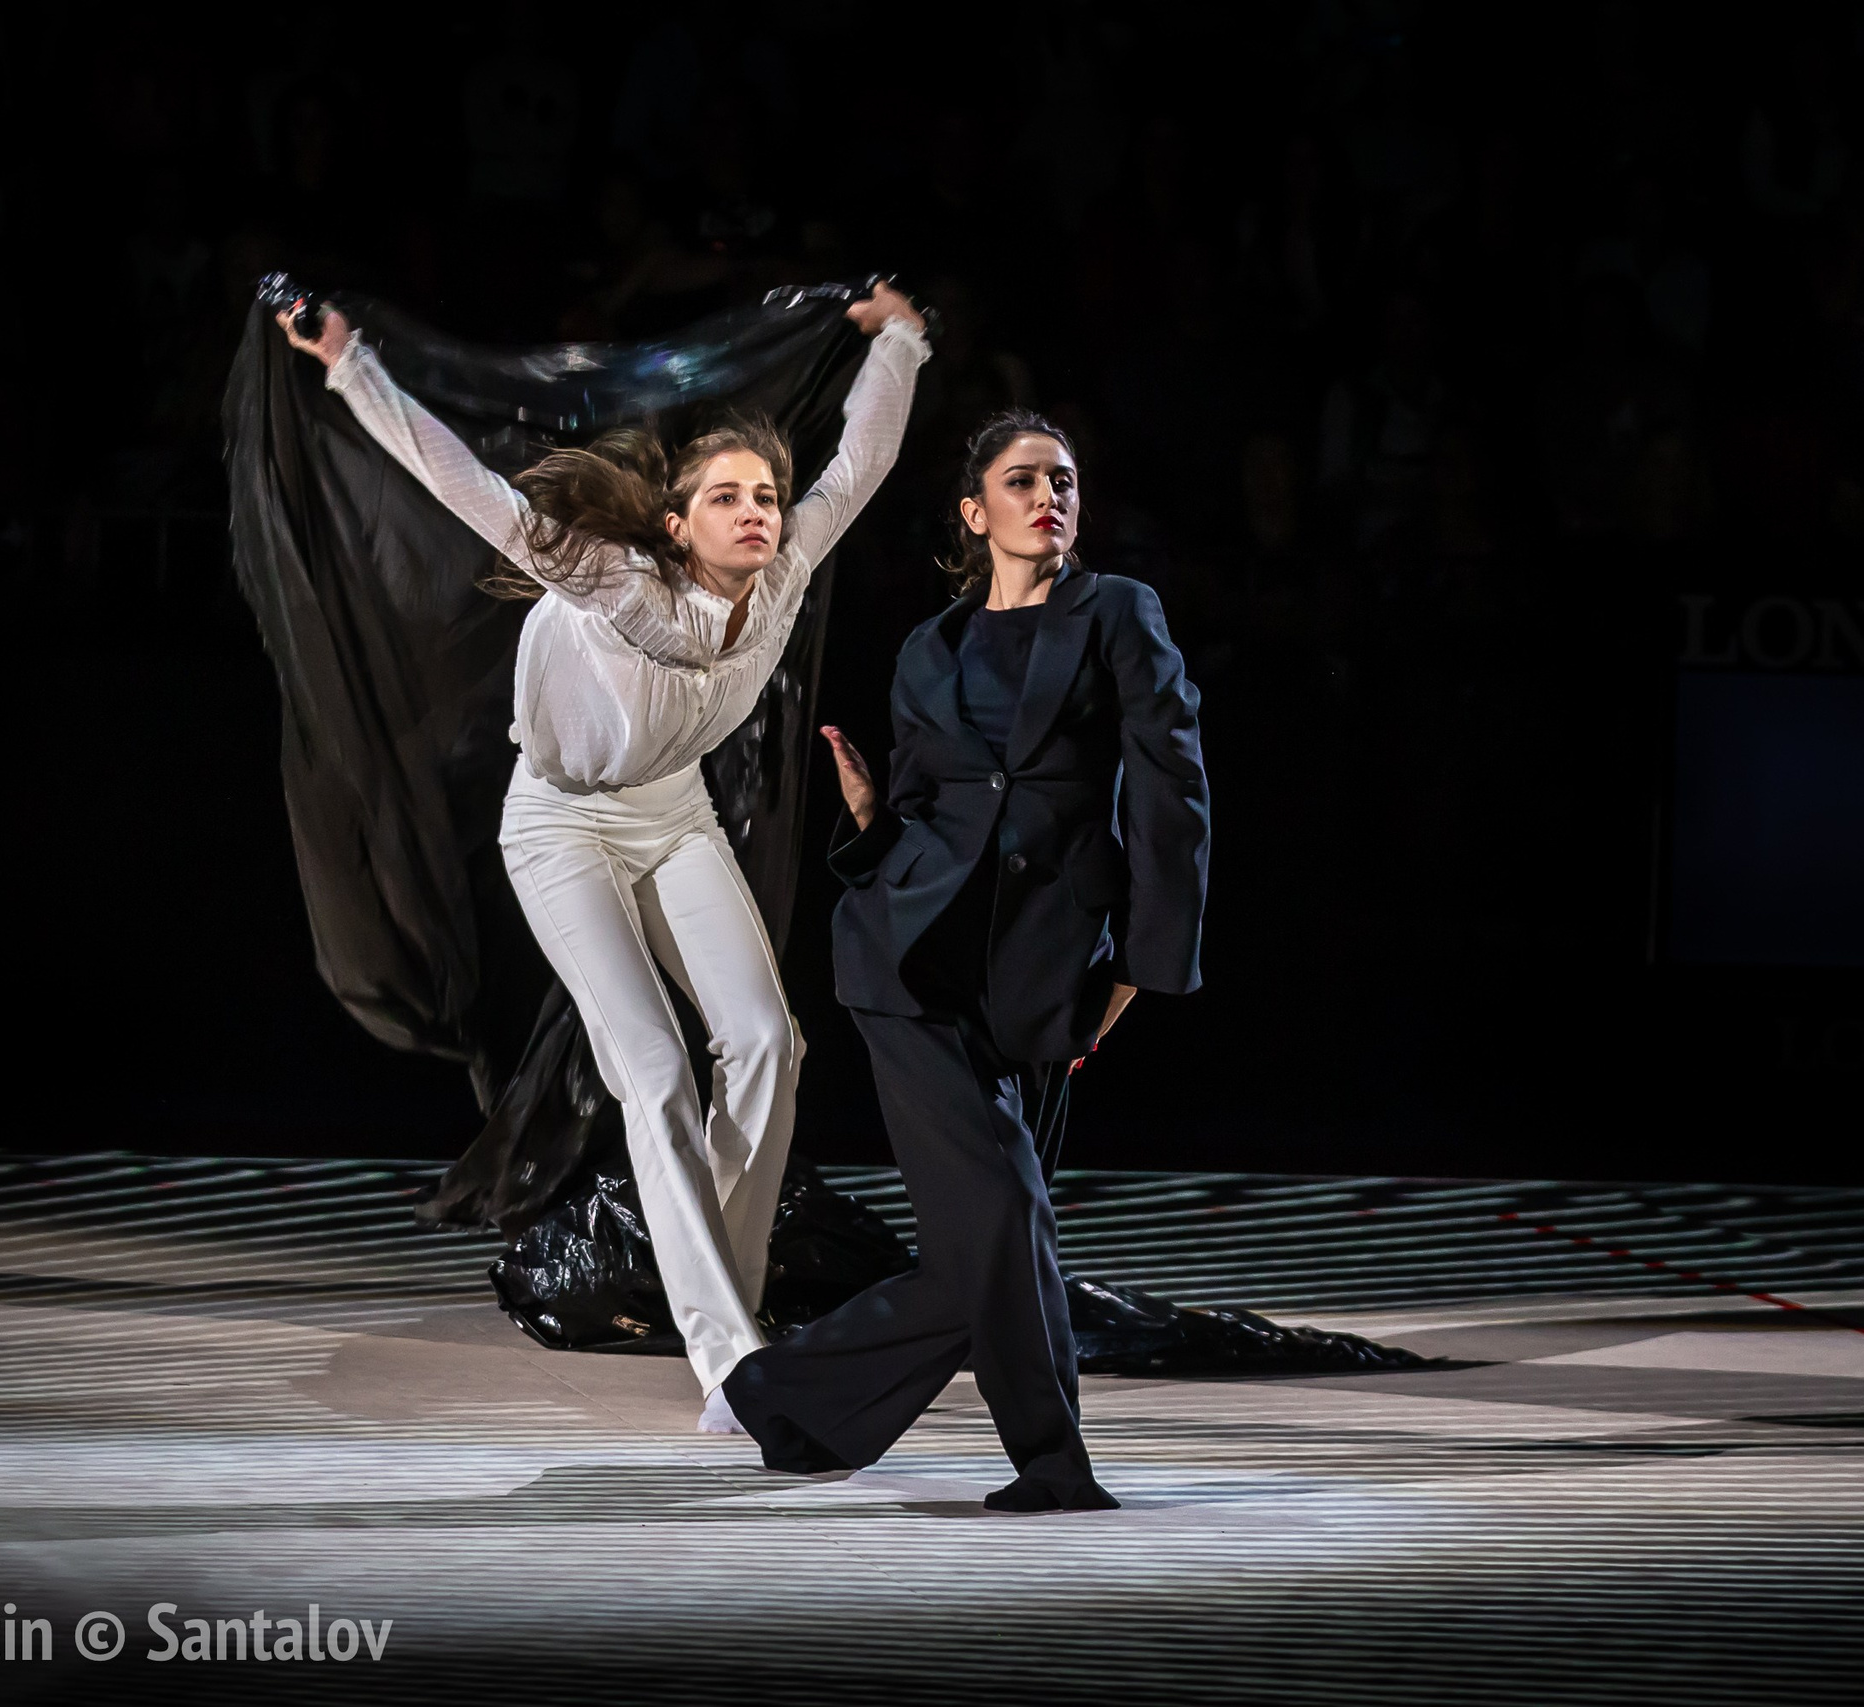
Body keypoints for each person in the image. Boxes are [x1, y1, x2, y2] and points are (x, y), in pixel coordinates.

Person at [277, 283, 929, 1430]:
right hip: (561, 825)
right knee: (656, 1071)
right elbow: (463, 485)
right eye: (725, 497)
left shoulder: (783, 571)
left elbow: (862, 461)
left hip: (674, 817)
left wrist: (902, 341)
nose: (757, 513)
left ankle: (719, 1299)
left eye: (765, 495)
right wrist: (349, 365)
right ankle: (730, 1360)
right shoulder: (614, 579)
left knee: (768, 1043)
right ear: (675, 526)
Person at [721, 411, 1211, 1511]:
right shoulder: (928, 650)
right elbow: (918, 814)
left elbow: (1172, 791)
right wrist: (867, 822)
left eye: (1064, 481)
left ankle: (786, 1394)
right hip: (905, 968)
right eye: (1023, 480)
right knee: (1002, 1222)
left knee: (981, 1249)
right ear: (973, 512)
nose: (1048, 497)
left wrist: (1140, 965)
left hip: (1042, 974)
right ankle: (1053, 1463)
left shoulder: (1117, 615)